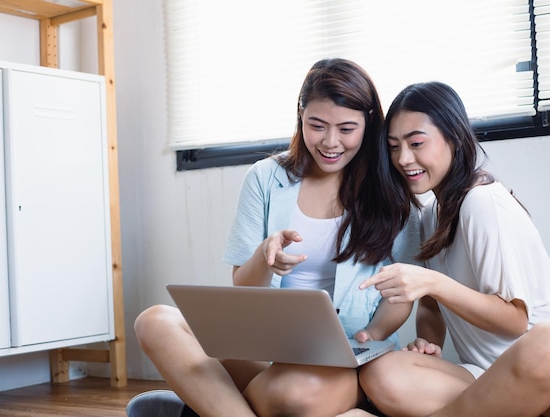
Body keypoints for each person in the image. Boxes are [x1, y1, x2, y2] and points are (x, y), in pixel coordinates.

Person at [127, 58, 420, 417]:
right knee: (154, 321)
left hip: (344, 362)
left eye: (346, 129)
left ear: (369, 123)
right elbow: (243, 285)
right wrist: (264, 255)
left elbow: (402, 291)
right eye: (317, 125)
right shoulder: (265, 178)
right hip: (267, 352)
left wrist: (370, 337)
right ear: (300, 115)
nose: (330, 142)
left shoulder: (391, 191)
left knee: (294, 396)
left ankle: (203, 407)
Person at [339, 81, 550, 417]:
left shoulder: (482, 202)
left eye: (417, 143)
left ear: (454, 138)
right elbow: (430, 307)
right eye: (394, 147)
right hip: (483, 378)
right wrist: (429, 343)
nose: (403, 158)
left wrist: (435, 283)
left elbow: (514, 321)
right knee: (383, 373)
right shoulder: (429, 215)